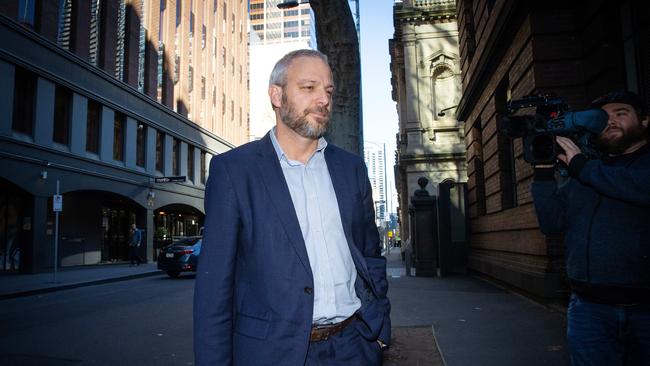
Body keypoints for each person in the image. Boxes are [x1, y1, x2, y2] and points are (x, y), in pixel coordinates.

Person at [194, 49, 390, 365]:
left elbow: (370, 255)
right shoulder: (234, 171)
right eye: (309, 87)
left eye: (328, 91)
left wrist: (379, 330)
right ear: (277, 95)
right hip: (273, 353)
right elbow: (214, 289)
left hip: (355, 346)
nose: (323, 100)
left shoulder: (351, 169)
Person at [531, 90, 650, 365]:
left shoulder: (587, 169)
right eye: (602, 117)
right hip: (590, 310)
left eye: (621, 113)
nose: (610, 121)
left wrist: (582, 167)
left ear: (644, 121)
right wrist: (543, 173)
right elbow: (551, 223)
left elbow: (638, 187)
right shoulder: (585, 170)